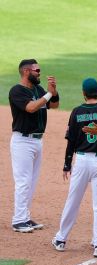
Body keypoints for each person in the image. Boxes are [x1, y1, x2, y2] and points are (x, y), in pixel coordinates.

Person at [52, 78, 97, 258]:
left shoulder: (77, 111)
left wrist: (67, 163)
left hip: (81, 161)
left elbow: (71, 141)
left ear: (84, 93)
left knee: (73, 201)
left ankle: (61, 239)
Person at [9, 59, 59, 233]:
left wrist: (53, 92)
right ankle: (18, 220)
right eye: (37, 70)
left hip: (37, 140)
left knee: (31, 181)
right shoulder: (17, 91)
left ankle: (24, 217)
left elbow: (54, 104)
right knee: (23, 182)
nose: (39, 73)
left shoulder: (37, 89)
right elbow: (30, 107)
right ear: (26, 71)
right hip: (22, 141)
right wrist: (48, 95)